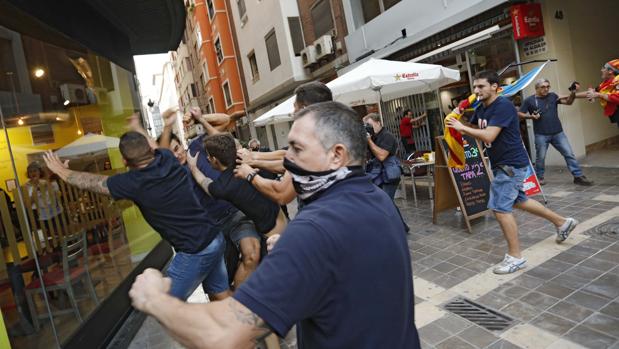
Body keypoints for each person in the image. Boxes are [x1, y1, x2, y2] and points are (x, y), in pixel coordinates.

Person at [129, 101, 420, 349]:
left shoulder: (314, 230)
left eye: (296, 148)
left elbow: (222, 335)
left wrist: (154, 298)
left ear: (337, 155)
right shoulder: (376, 198)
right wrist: (310, 257)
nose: (285, 158)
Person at [43, 131, 230, 301]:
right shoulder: (166, 157)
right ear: (150, 149)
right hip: (214, 237)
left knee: (165, 306)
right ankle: (243, 330)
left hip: (195, 250)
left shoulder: (132, 183)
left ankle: (207, 337)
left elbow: (93, 182)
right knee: (220, 294)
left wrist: (61, 171)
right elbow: (156, 146)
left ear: (124, 161)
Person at [446, 70, 578, 274]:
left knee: (500, 208)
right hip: (502, 164)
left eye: (481, 86)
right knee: (519, 200)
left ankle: (515, 257)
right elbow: (477, 128)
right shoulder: (482, 108)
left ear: (494, 87)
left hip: (510, 165)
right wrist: (460, 122)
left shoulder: (503, 106)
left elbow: (489, 135)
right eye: (474, 87)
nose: (476, 90)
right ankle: (562, 223)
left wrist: (462, 128)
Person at [187, 133, 286, 287]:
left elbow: (204, 183)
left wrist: (193, 167)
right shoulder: (249, 162)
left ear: (214, 160)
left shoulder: (223, 186)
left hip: (273, 239)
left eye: (208, 156)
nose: (206, 159)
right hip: (284, 223)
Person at [234, 81, 333, 207]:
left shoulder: (310, 140)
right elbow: (289, 161)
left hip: (320, 212)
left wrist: (248, 173)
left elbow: (281, 193)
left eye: (295, 107)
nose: (293, 113)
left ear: (304, 109)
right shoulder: (336, 131)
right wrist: (254, 159)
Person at [518, 78, 593, 186]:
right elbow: (520, 113)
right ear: (536, 88)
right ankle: (539, 178)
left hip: (558, 133)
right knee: (541, 157)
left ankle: (578, 176)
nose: (546, 89)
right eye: (543, 87)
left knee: (569, 154)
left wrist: (573, 92)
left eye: (548, 86)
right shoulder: (529, 100)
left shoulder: (553, 96)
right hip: (541, 134)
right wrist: (531, 116)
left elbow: (568, 102)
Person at [364, 113, 402, 200]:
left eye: (369, 124)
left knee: (386, 201)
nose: (368, 127)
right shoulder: (372, 137)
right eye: (365, 125)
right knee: (381, 202)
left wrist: (369, 141)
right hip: (377, 173)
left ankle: (393, 214)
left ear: (378, 123)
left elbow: (382, 156)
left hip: (389, 174)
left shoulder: (387, 136)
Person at [575, 58, 619, 128]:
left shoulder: (617, 81)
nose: (601, 70)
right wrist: (572, 95)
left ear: (610, 71)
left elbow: (617, 98)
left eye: (603, 68)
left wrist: (598, 95)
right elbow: (592, 92)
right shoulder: (606, 84)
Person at [25, 162, 63, 232]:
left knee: (58, 230)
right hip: (37, 213)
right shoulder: (27, 186)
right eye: (30, 171)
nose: (33, 173)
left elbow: (58, 195)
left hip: (51, 210)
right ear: (28, 174)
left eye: (35, 171)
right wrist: (35, 190)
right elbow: (28, 204)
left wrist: (50, 187)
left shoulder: (45, 182)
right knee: (45, 234)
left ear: (39, 172)